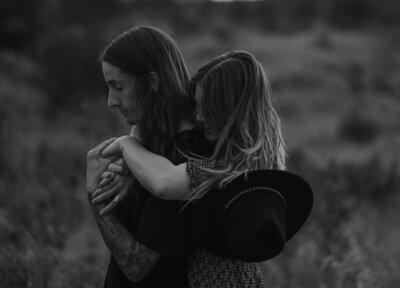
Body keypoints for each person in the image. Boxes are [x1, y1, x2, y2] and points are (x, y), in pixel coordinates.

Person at [94, 51, 290, 287]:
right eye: (196, 106)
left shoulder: (221, 172)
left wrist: (126, 145)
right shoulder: (253, 164)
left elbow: (164, 182)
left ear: (229, 109)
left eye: (206, 107)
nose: (198, 116)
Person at [86, 26, 214, 288]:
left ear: (152, 83)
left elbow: (136, 263)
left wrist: (95, 197)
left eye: (118, 87)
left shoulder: (184, 161)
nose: (111, 100)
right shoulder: (149, 146)